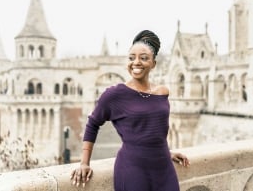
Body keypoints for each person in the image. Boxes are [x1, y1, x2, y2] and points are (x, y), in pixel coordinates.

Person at [70, 30, 190, 191]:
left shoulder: (162, 92)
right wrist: (84, 163)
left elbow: (155, 129)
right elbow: (92, 124)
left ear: (153, 63)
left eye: (144, 58)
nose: (136, 62)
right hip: (133, 170)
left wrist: (167, 152)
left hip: (164, 167)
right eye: (131, 57)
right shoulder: (114, 94)